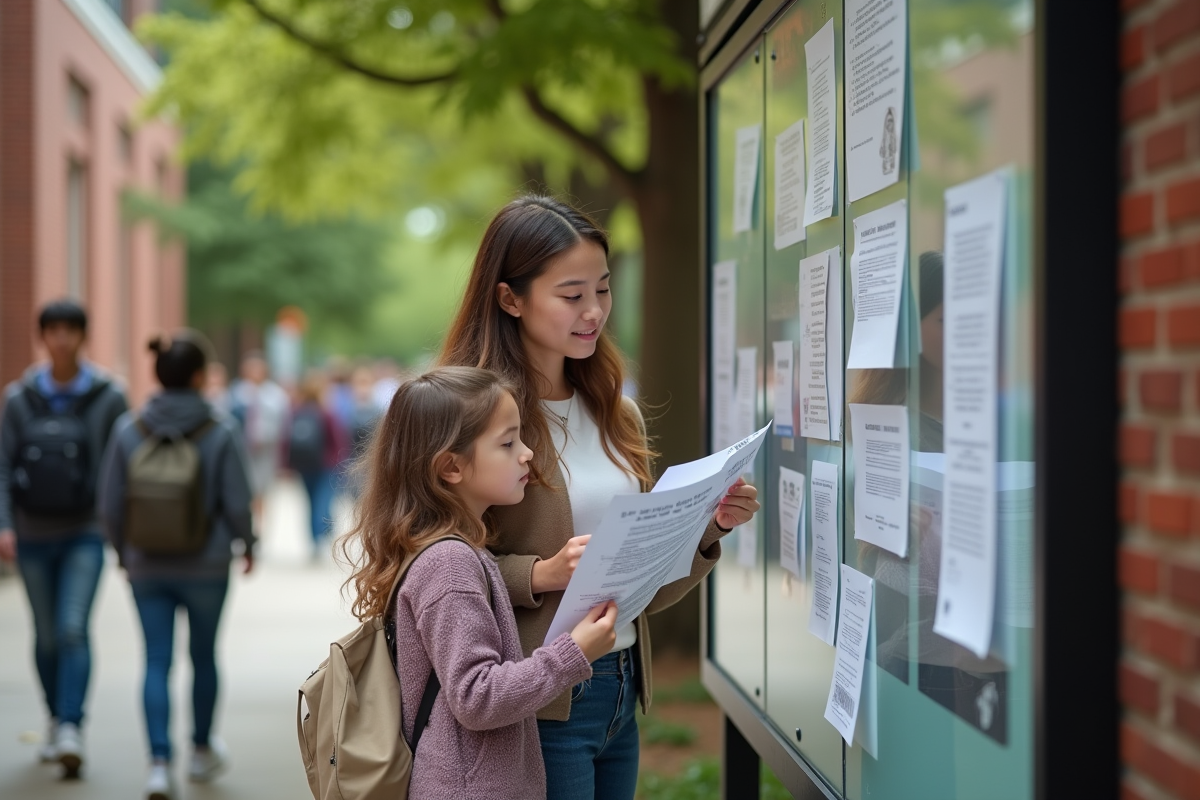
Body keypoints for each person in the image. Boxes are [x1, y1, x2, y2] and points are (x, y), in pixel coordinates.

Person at [437, 196, 761, 798]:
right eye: (571, 295)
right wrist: (538, 575)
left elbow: (636, 576)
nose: (594, 313)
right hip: (539, 699)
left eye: (604, 290)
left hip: (619, 683)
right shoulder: (475, 422)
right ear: (511, 299)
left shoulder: (618, 413)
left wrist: (705, 528)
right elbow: (427, 555)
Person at [340, 366, 618, 800]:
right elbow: (477, 697)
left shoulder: (457, 551)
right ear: (451, 467)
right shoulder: (450, 563)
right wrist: (574, 652)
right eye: (507, 443)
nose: (527, 453)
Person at [98, 330, 255, 800]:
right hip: (206, 565)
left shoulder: (130, 428)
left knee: (155, 661)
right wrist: (248, 543)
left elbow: (108, 504)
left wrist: (124, 553)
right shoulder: (220, 428)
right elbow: (236, 499)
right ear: (198, 376)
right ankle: (202, 751)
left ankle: (159, 764)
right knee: (203, 657)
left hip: (147, 565)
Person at [0, 299, 129, 778]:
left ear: (82, 336)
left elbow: (121, 468)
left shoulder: (108, 396)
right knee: (47, 634)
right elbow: (4, 465)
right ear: (43, 336)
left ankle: (72, 725)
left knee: (72, 628)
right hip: (31, 534)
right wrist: (4, 524)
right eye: (52, 330)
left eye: (69, 330)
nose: (61, 338)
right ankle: (55, 718)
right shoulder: (18, 398)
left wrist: (118, 530)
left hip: (84, 533)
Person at [287, 370, 343, 556]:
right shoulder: (326, 413)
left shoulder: (297, 411)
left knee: (310, 502)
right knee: (323, 501)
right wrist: (339, 462)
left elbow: (286, 439)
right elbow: (336, 440)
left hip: (304, 464)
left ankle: (314, 539)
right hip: (325, 465)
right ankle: (322, 533)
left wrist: (287, 463)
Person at [227, 351, 289, 520]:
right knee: (245, 486)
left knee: (263, 487)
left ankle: (260, 522)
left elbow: (283, 422)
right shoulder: (236, 393)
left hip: (266, 450)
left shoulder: (275, 395)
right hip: (242, 449)